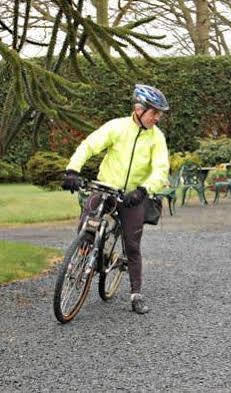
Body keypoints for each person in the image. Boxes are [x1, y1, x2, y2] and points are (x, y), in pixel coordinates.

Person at [61, 84, 170, 315]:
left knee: (132, 245)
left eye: (159, 113)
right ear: (139, 109)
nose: (157, 118)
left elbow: (161, 169)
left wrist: (143, 190)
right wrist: (72, 170)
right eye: (155, 112)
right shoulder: (117, 127)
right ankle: (83, 253)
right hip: (106, 187)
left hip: (133, 195)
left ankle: (136, 294)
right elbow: (89, 145)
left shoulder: (157, 138)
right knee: (86, 226)